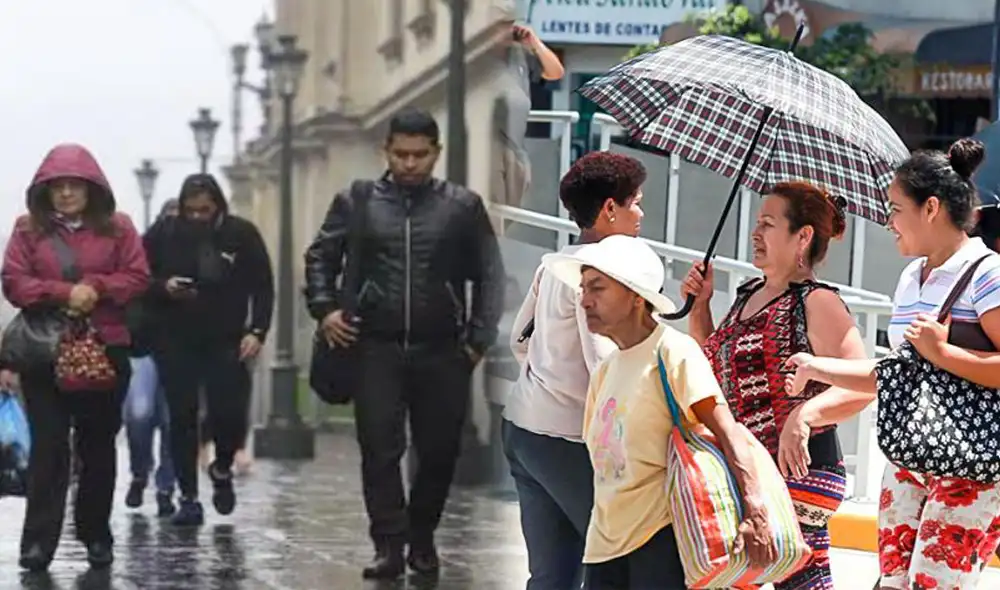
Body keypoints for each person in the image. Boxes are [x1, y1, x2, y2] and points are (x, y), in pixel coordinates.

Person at [786, 139, 1000, 590]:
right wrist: (816, 367)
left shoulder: (987, 273)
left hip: (972, 467)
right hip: (908, 457)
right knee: (892, 583)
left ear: (931, 208)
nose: (888, 223)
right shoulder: (909, 279)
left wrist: (945, 354)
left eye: (894, 209)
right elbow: (899, 373)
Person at [304, 108, 505, 579]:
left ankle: (422, 537)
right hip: (375, 345)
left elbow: (491, 276)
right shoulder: (357, 201)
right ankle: (389, 544)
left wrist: (476, 340)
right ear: (386, 152)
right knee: (379, 448)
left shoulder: (461, 206)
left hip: (443, 350)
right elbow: (320, 256)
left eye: (420, 155)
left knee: (438, 452)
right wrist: (325, 308)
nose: (410, 164)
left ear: (435, 153)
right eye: (401, 154)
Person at [540, 235, 775, 589]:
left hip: (660, 542)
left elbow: (728, 432)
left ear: (637, 297)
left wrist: (755, 509)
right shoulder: (606, 369)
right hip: (603, 547)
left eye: (598, 288)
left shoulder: (674, 352)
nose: (585, 300)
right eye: (583, 289)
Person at [680, 181, 869, 590]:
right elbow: (712, 367)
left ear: (802, 236)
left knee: (785, 578)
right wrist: (700, 307)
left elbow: (864, 382)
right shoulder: (750, 293)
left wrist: (804, 415)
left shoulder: (817, 301)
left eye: (768, 224)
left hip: (798, 469)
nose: (755, 233)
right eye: (756, 223)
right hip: (749, 466)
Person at [0, 143, 150, 571]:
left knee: (97, 445)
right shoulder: (27, 229)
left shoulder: (119, 228)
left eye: (74, 186)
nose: (65, 194)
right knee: (48, 446)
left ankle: (95, 534)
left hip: (104, 348)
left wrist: (97, 290)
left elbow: (137, 276)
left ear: (92, 189)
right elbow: (15, 281)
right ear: (44, 192)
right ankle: (37, 543)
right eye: (56, 187)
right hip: (45, 351)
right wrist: (67, 293)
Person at [505, 152, 645, 589]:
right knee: (614, 564)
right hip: (568, 442)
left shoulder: (556, 263)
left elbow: (519, 340)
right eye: (636, 202)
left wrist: (550, 379)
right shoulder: (601, 272)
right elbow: (605, 363)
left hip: (525, 430)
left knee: (551, 575)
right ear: (610, 209)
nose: (640, 213)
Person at [143, 173, 274, 527]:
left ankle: (222, 466)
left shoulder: (241, 234)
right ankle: (188, 496)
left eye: (205, 210)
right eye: (191, 210)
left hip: (227, 337)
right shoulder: (164, 233)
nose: (198, 217)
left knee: (228, 412)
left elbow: (263, 285)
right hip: (176, 338)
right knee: (182, 418)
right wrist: (164, 287)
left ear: (217, 205)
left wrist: (257, 330)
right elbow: (137, 276)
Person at [123, 199, 179, 517]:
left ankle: (165, 486)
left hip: (179, 349)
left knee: (173, 421)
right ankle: (140, 472)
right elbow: (132, 287)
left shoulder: (198, 255)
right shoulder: (142, 250)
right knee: (139, 415)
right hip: (142, 346)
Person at [491, 0, 564, 208]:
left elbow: (555, 72)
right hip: (490, 146)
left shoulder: (519, 52)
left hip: (516, 148)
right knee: (492, 216)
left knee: (511, 213)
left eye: (508, 23)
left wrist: (534, 43)